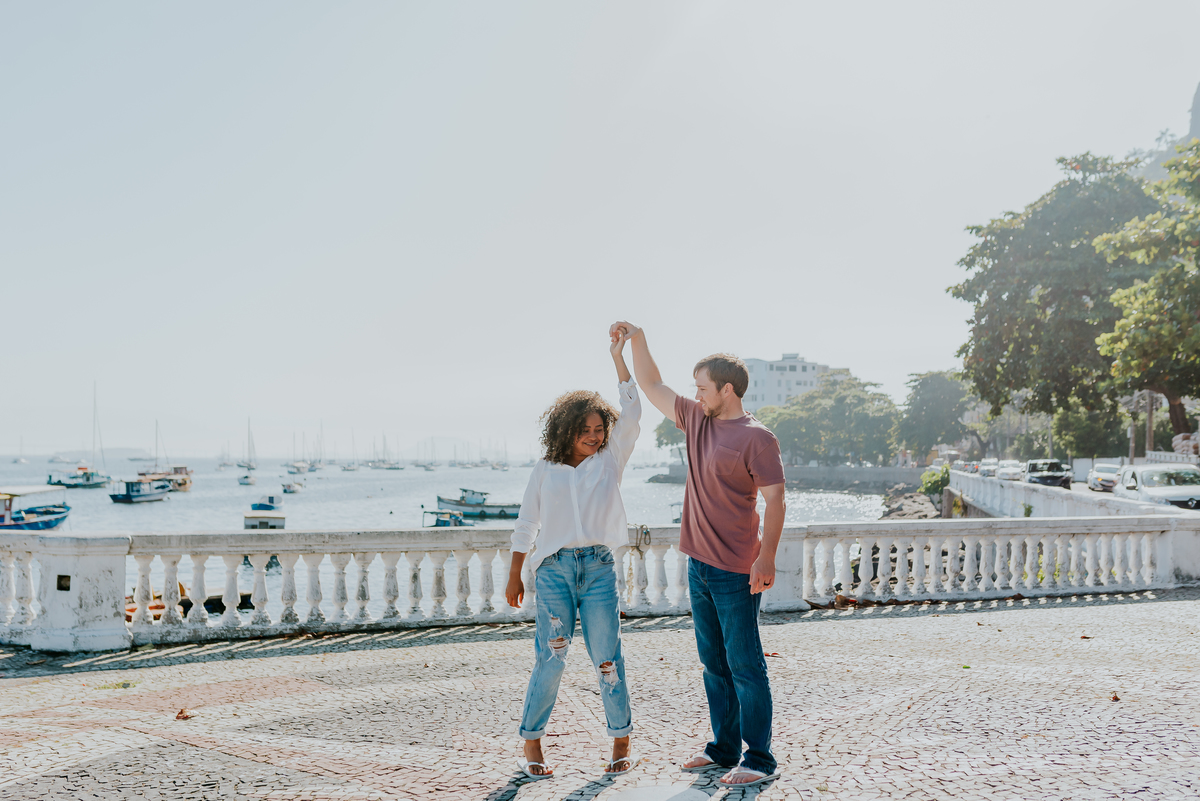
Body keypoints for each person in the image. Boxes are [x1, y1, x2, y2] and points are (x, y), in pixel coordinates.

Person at [610, 320, 786, 788]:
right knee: (713, 663)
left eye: (703, 387)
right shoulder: (696, 419)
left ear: (727, 390)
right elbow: (650, 383)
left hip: (736, 569)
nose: (697, 394)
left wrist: (766, 558)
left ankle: (759, 759)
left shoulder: (758, 438)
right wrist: (638, 339)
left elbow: (776, 501)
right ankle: (723, 749)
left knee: (746, 665)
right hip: (699, 565)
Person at [506, 330, 641, 780]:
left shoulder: (610, 459)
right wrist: (514, 575)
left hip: (599, 568)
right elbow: (526, 523)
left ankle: (621, 738)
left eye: (598, 428)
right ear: (565, 429)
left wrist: (618, 358)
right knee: (552, 656)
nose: (593, 435)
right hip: (553, 572)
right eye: (584, 430)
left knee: (607, 657)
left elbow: (634, 411)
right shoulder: (546, 470)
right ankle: (532, 741)